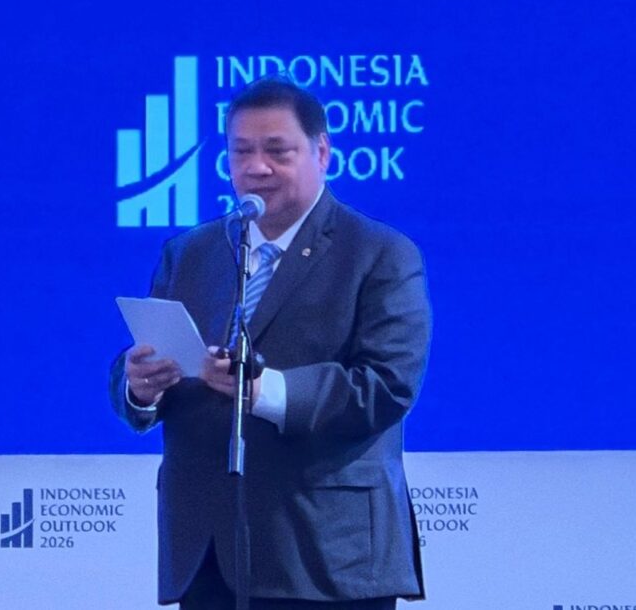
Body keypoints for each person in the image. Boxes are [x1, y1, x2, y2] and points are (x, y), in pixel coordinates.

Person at [110, 76, 431, 609]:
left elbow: (386, 386)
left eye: (277, 151)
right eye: (241, 152)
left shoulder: (380, 253)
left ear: (322, 152)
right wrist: (139, 387)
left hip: (325, 554)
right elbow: (144, 367)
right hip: (206, 555)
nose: (256, 167)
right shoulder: (190, 253)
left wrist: (264, 391)